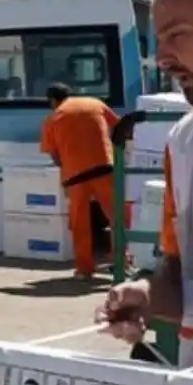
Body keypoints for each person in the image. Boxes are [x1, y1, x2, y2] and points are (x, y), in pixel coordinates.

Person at [99, 0, 193, 366]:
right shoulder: (188, 143)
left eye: (177, 35)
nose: (162, 58)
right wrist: (147, 294)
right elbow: (186, 274)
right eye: (159, 40)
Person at [39, 82, 121, 278]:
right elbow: (119, 127)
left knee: (80, 223)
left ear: (52, 100)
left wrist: (67, 165)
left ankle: (85, 269)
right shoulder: (95, 104)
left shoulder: (53, 117)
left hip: (76, 176)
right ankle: (121, 263)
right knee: (116, 217)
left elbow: (54, 155)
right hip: (105, 168)